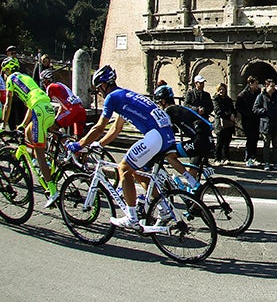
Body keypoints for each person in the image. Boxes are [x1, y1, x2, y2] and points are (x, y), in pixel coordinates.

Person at [68, 66, 194, 230]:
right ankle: (164, 209)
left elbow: (99, 128)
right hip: (165, 134)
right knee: (137, 171)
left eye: (98, 88)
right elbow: (116, 129)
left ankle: (132, 218)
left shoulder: (111, 98)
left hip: (155, 135)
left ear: (104, 85)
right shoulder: (125, 95)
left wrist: (79, 144)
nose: (99, 92)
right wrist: (99, 144)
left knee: (123, 168)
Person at [1, 56, 60, 206]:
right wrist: (22, 124)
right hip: (47, 108)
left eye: (4, 72)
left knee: (39, 153)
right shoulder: (26, 77)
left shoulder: (11, 79)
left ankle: (52, 190)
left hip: (39, 110)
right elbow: (31, 104)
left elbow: (7, 104)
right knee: (28, 131)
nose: (4, 75)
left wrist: (3, 125)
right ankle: (46, 164)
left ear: (8, 70)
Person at [153, 84, 213, 171]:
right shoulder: (178, 108)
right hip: (207, 140)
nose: (158, 106)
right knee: (192, 169)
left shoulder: (169, 111)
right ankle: (192, 179)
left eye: (158, 103)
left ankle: (187, 177)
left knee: (169, 155)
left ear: (163, 101)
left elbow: (168, 131)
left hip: (199, 141)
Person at [40, 68, 88, 137]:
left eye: (43, 82)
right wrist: (56, 118)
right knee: (78, 138)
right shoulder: (60, 85)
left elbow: (45, 103)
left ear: (46, 81)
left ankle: (65, 142)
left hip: (71, 110)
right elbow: (61, 106)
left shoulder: (50, 87)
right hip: (81, 109)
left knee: (51, 128)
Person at [253, 79, 277, 171]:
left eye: (274, 86)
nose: (273, 88)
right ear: (266, 86)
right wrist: (264, 111)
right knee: (266, 145)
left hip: (276, 123)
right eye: (272, 86)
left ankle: (276, 163)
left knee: (275, 146)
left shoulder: (276, 96)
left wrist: (276, 112)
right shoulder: (261, 96)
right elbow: (255, 109)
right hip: (266, 124)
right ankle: (266, 163)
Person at [235, 76, 261, 167]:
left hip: (256, 118)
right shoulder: (243, 94)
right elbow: (238, 107)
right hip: (247, 119)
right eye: (256, 83)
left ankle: (254, 157)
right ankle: (248, 158)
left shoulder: (258, 93)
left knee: (255, 138)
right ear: (250, 84)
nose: (257, 85)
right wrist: (247, 113)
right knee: (250, 139)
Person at [213, 82, 236, 165]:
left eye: (223, 89)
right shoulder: (216, 99)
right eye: (220, 89)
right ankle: (217, 159)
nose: (221, 91)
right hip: (220, 123)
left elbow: (233, 109)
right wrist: (229, 115)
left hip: (229, 124)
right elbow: (218, 111)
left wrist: (233, 114)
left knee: (227, 142)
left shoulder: (228, 100)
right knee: (220, 142)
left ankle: (226, 158)